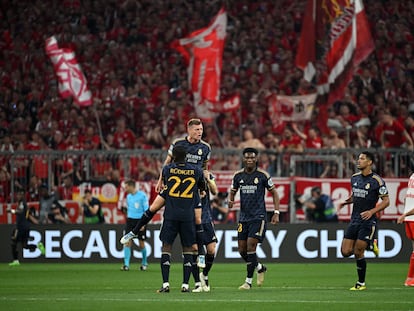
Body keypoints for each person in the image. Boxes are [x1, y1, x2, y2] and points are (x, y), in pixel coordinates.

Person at [120, 145, 206, 293]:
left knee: (166, 247)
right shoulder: (197, 170)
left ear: (173, 157)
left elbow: (167, 185)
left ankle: (166, 284)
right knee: (188, 249)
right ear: (186, 156)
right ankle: (186, 284)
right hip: (187, 215)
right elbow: (202, 188)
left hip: (171, 214)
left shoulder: (167, 169)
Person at [228, 147, 280, 290]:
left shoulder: (263, 175)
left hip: (258, 216)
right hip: (243, 217)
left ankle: (248, 282)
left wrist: (276, 212)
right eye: (247, 157)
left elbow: (274, 193)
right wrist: (231, 200)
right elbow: (232, 191)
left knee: (251, 246)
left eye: (252, 157)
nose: (249, 160)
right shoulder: (238, 176)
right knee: (241, 250)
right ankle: (260, 267)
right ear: (243, 159)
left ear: (256, 159)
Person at [338, 151, 390, 290]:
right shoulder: (354, 178)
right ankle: (371, 243)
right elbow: (356, 195)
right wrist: (346, 202)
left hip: (368, 221)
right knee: (345, 252)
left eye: (362, 159)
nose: (358, 161)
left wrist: (372, 211)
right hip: (354, 219)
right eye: (358, 158)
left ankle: (361, 283)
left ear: (369, 162)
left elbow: (386, 201)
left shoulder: (377, 181)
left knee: (358, 252)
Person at [192, 170, 219, 293]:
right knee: (194, 251)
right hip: (192, 218)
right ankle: (197, 282)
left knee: (211, 249)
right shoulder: (187, 173)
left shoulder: (208, 174)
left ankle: (205, 274)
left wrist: (208, 179)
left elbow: (215, 191)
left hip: (206, 218)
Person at [7, 188, 45, 266]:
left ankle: (16, 260)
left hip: (20, 227)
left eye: (20, 194)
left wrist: (11, 211)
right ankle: (38, 246)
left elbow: (20, 212)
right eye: (17, 194)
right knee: (25, 246)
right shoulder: (24, 203)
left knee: (13, 242)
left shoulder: (22, 203)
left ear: (23, 195)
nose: (18, 196)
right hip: (26, 226)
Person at [120, 179, 149, 271]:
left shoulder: (142, 196)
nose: (125, 189)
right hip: (130, 221)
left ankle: (144, 263)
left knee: (141, 243)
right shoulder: (128, 197)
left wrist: (144, 223)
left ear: (132, 186)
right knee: (127, 242)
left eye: (126, 187)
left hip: (140, 221)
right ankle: (126, 265)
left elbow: (147, 210)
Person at [397, 172, 414, 286]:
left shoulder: (412, 176)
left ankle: (409, 279)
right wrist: (405, 215)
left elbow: (406, 197)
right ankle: (410, 279)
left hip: (409, 217)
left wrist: (405, 214)